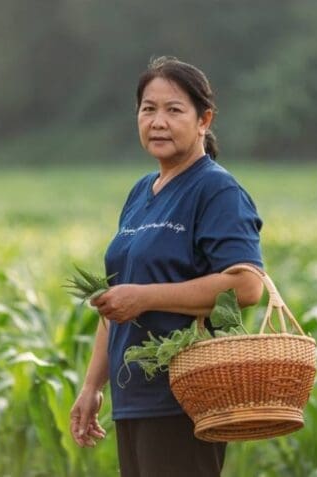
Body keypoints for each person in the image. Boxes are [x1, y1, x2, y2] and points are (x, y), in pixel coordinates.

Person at [70, 56, 264, 477]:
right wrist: (91, 386)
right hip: (133, 399)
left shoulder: (216, 189)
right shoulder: (142, 191)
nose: (158, 121)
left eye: (174, 110)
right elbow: (118, 299)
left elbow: (247, 286)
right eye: (148, 109)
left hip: (186, 398)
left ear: (203, 119)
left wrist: (145, 297)